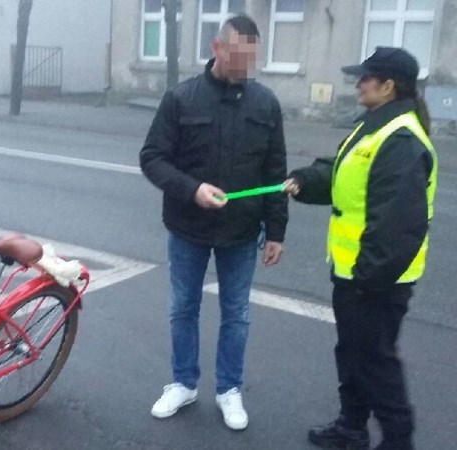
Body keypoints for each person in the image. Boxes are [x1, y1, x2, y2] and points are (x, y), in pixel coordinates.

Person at [283, 47, 438, 450]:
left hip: (375, 282)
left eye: (365, 78)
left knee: (375, 362)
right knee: (353, 354)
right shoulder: (373, 126)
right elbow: (344, 176)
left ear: (388, 86)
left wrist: (367, 281)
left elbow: (398, 226)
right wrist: (306, 180)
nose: (357, 83)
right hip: (355, 274)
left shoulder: (401, 140)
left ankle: (398, 442)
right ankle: (351, 427)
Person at [139, 14, 287, 431]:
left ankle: (229, 390)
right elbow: (152, 158)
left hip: (241, 232)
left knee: (236, 312)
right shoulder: (181, 99)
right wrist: (191, 189)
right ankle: (183, 383)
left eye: (251, 59)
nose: (245, 67)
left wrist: (276, 231)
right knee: (183, 308)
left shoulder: (266, 104)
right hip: (188, 228)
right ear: (216, 48)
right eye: (238, 56)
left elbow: (275, 173)